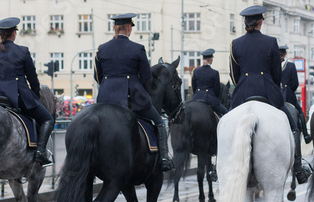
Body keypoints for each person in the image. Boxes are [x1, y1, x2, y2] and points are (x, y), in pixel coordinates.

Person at [229, 5, 310, 184]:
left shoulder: (235, 44)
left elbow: (234, 75)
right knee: (292, 124)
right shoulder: (271, 42)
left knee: (224, 124)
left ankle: (215, 165)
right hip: (267, 90)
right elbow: (276, 73)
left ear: (245, 22)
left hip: (242, 92)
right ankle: (298, 168)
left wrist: (244, 83)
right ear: (261, 22)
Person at [94, 13, 173, 172]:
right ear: (129, 28)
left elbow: (98, 76)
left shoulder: (101, 49)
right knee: (158, 121)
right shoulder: (138, 49)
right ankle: (164, 158)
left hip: (106, 99)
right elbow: (146, 78)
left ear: (115, 28)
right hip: (133, 99)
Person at [0, 17, 54, 166]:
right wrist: (34, 97)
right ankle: (41, 152)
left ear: (1, 34)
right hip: (18, 96)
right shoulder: (23, 51)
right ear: (13, 34)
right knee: (48, 119)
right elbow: (33, 79)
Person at [280, 45, 311, 144]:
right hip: (288, 96)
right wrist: (289, 90)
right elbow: (295, 83)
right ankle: (306, 135)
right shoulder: (290, 66)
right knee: (300, 113)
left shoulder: (271, 65)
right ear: (284, 54)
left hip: (274, 95)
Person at [191, 48, 228, 116]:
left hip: (196, 98)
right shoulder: (215, 73)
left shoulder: (195, 71)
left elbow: (194, 87)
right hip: (210, 99)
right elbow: (217, 90)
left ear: (203, 59)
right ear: (211, 59)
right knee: (225, 112)